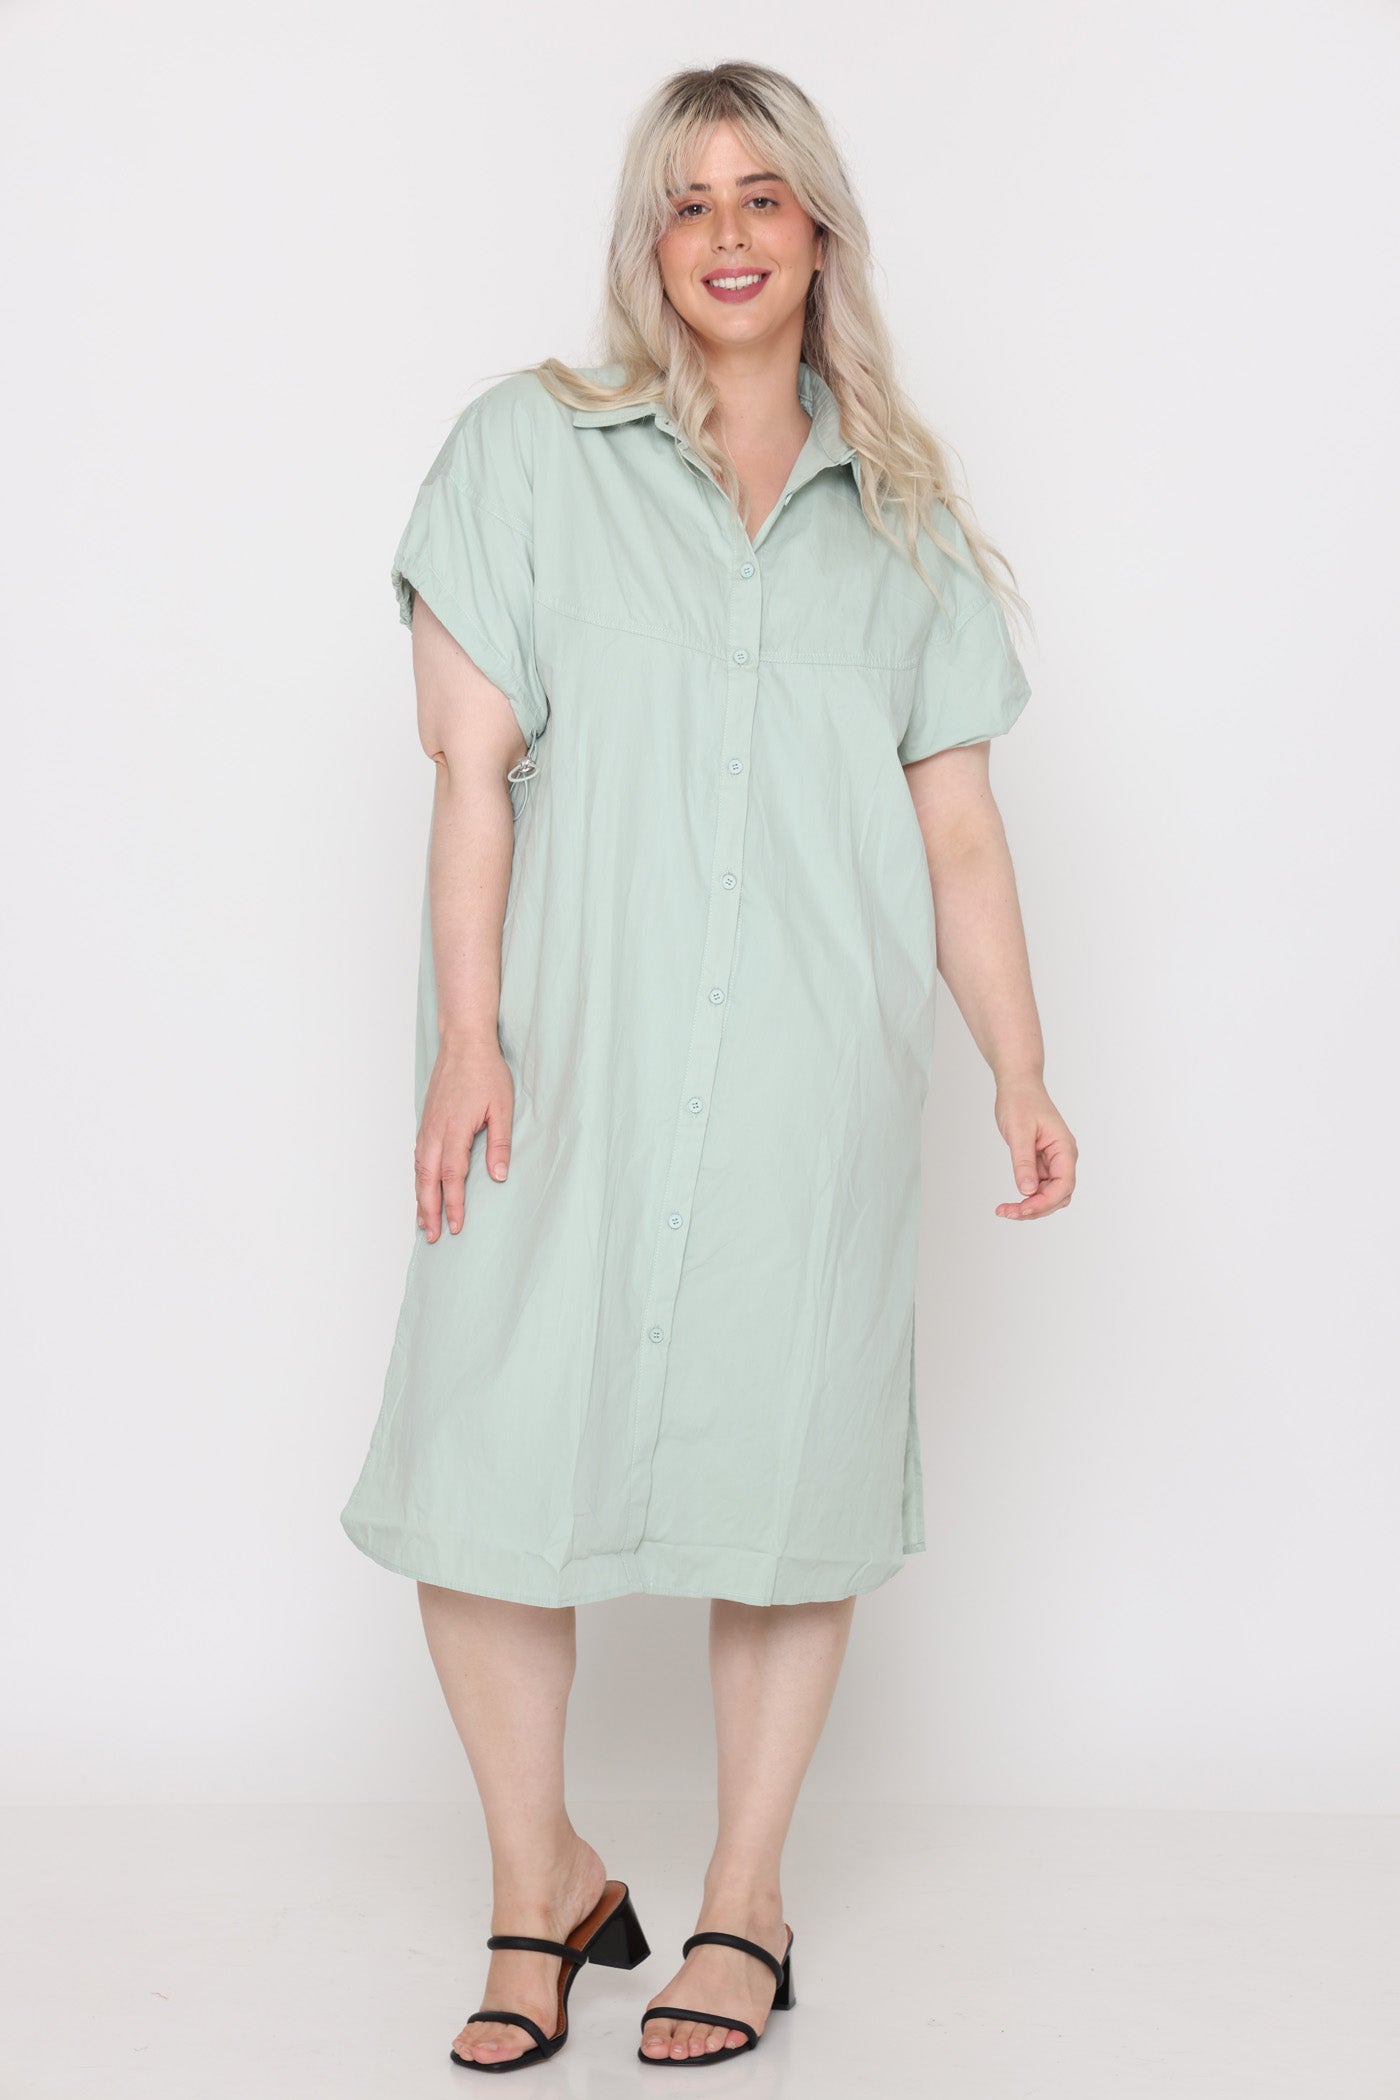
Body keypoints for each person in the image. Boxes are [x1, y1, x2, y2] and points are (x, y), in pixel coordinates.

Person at [339, 59, 1077, 2073]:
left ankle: (745, 1900)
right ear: (646, 244)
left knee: (788, 1486)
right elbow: (469, 775)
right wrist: (470, 1038)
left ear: (818, 230)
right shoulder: (527, 453)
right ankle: (540, 1886)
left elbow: (955, 833)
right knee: (489, 1468)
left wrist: (1018, 1067)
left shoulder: (904, 529)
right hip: (556, 1073)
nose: (727, 233)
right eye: (687, 200)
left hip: (805, 1096)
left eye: (763, 195)